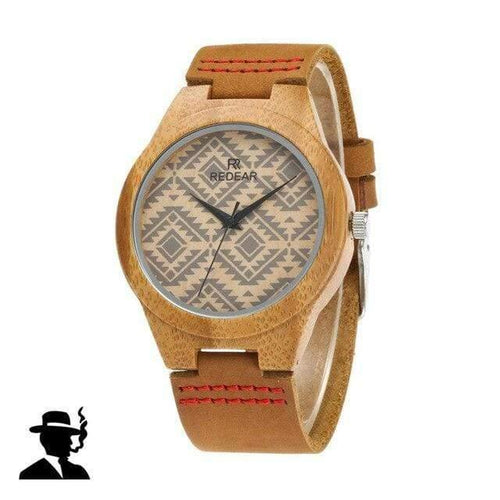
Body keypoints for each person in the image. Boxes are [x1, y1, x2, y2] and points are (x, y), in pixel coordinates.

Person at [19, 410, 89, 479]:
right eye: (64, 437)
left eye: (69, 437)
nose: (71, 442)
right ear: (46, 440)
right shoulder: (29, 474)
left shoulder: (79, 471)